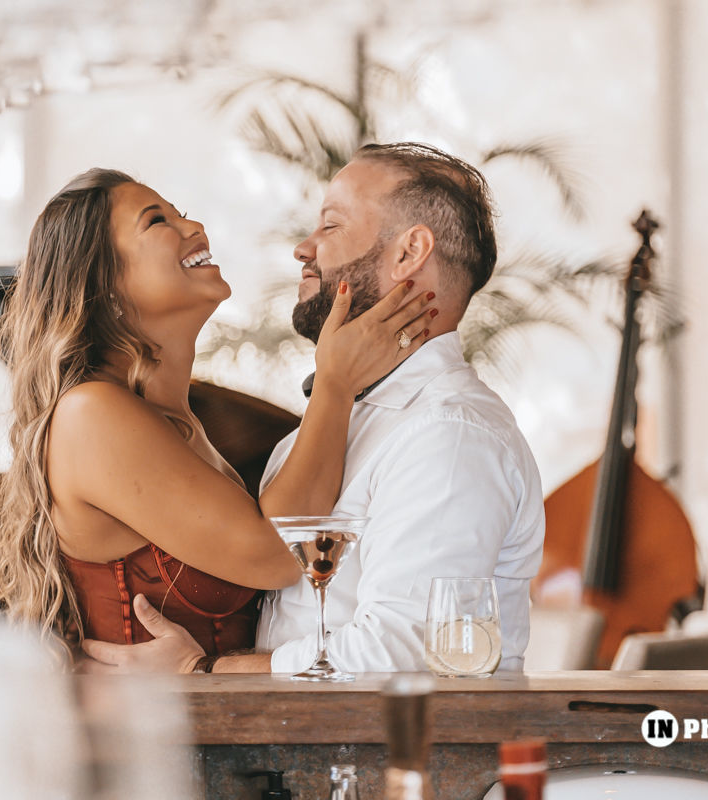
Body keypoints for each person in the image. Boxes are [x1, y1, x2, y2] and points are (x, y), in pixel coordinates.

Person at [80, 143, 546, 674]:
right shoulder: (334, 424)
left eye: (331, 225)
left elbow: (401, 651)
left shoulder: (448, 435)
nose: (304, 249)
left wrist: (206, 670)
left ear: (409, 253)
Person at [0, 168, 437, 661]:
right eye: (157, 221)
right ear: (103, 283)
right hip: (156, 715)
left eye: (183, 215)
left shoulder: (177, 422)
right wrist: (335, 383)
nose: (195, 228)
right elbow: (282, 553)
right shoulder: (91, 414)